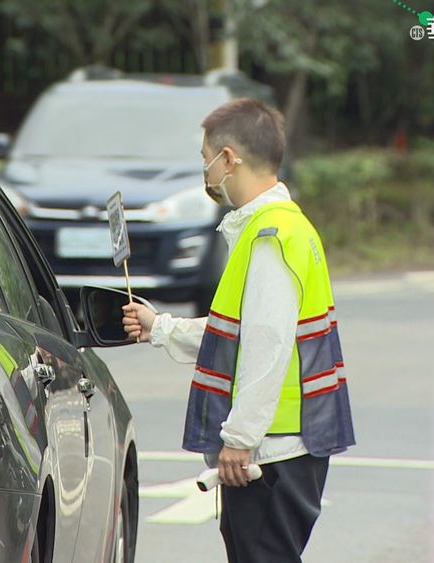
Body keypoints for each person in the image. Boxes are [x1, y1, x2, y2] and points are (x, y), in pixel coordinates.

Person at [122, 98, 355, 562]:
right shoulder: (285, 226)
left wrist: (240, 438)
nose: (206, 172)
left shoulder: (269, 237)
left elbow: (266, 344)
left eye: (206, 159)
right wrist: (161, 328)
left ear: (229, 159)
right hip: (285, 447)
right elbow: (241, 331)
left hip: (272, 452)